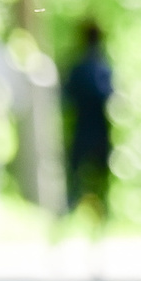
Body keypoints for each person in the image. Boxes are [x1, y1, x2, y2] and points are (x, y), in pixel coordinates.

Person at [61, 19, 113, 228]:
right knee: (97, 184)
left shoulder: (78, 67)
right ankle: (97, 224)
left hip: (83, 130)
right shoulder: (103, 68)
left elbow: (66, 97)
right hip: (96, 131)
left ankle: (71, 222)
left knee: (77, 181)